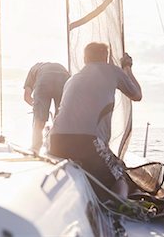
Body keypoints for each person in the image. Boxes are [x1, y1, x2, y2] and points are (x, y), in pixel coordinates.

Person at [49, 42, 142, 199]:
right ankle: (120, 207)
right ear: (105, 58)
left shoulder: (72, 79)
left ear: (85, 59)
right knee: (122, 176)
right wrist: (127, 67)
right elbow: (137, 95)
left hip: (56, 141)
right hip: (88, 142)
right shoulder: (113, 71)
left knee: (90, 170)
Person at [23, 62, 70, 153]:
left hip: (44, 79)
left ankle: (35, 148)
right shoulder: (57, 67)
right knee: (61, 119)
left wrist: (38, 107)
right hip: (64, 76)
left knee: (39, 121)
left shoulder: (33, 69)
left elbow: (27, 97)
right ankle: (59, 148)